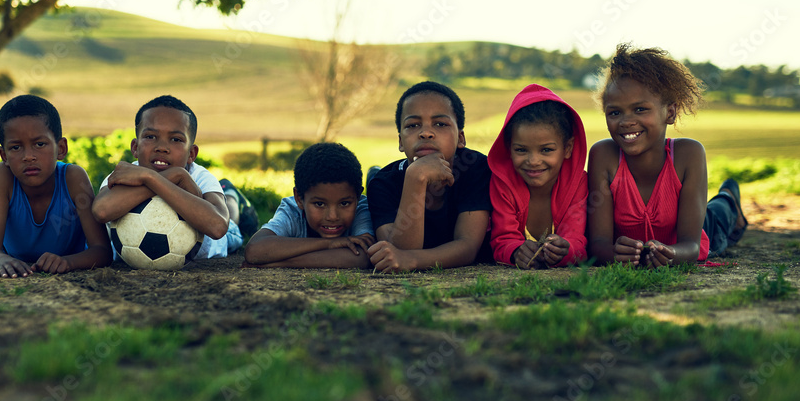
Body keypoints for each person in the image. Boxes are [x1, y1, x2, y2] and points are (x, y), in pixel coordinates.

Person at [587, 43, 748, 267]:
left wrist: (670, 252)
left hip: (693, 233)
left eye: (640, 109)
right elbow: (598, 244)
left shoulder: (688, 154)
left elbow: (691, 246)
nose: (626, 121)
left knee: (716, 216)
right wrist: (614, 254)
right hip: (657, 246)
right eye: (615, 112)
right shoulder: (603, 156)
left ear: (669, 113)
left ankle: (730, 198)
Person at [0, 94, 112, 277]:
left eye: (39, 144)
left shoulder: (73, 178)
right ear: (4, 156)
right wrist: (0, 259)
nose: (28, 156)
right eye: (16, 148)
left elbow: (102, 251)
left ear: (61, 148)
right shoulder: (3, 177)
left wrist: (67, 262)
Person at [366, 81, 492, 273]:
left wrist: (413, 260)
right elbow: (398, 251)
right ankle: (373, 171)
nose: (425, 133)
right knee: (376, 178)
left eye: (440, 124)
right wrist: (416, 177)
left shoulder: (476, 168)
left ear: (461, 138)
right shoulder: (382, 185)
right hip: (387, 179)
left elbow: (468, 247)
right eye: (413, 125)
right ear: (401, 141)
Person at [91, 95, 234, 260]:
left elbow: (217, 227)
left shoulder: (199, 176)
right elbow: (101, 211)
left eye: (176, 139)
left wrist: (153, 178)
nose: (162, 147)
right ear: (135, 148)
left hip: (221, 241)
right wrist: (164, 177)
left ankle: (231, 196)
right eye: (151, 137)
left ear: (191, 154)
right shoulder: (124, 176)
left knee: (232, 216)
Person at [488, 84, 588, 268]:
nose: (533, 161)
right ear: (509, 148)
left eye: (546, 150)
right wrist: (516, 251)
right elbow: (501, 239)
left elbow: (577, 241)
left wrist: (565, 250)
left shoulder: (578, 183)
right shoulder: (503, 183)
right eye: (521, 150)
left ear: (567, 148)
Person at [244, 142, 375, 268]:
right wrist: (330, 244)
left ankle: (374, 175)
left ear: (357, 197)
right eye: (319, 204)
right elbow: (255, 249)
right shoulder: (292, 210)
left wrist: (278, 262)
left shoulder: (361, 208)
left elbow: (361, 257)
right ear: (299, 198)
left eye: (344, 203)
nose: (332, 216)